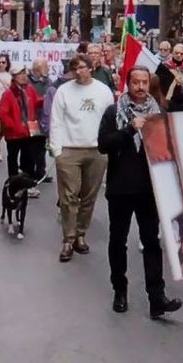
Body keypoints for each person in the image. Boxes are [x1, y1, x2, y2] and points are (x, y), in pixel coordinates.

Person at [97, 67, 183, 319]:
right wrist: (130, 130)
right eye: (136, 82)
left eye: (145, 82)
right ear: (128, 84)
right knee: (118, 241)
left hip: (149, 189)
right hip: (121, 188)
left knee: (151, 243)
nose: (141, 87)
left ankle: (157, 297)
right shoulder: (114, 112)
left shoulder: (159, 113)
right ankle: (120, 290)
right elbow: (103, 145)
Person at [50, 55, 113, 262]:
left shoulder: (103, 91)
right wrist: (57, 150)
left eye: (83, 67)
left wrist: (108, 146)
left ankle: (80, 234)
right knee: (69, 196)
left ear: (91, 68)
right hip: (70, 149)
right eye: (75, 68)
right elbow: (57, 120)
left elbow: (109, 120)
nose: (79, 72)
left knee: (88, 196)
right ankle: (68, 238)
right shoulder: (64, 91)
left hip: (96, 150)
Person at [0, 68, 43, 193]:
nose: (23, 76)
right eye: (20, 74)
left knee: (29, 158)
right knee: (13, 158)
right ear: (14, 77)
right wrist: (13, 126)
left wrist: (45, 100)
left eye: (24, 74)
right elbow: (2, 113)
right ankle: (13, 183)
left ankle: (27, 183)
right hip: (14, 134)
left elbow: (35, 102)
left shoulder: (29, 89)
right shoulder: (9, 93)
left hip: (29, 131)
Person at [29, 58, 53, 184]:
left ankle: (41, 171)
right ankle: (31, 171)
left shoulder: (48, 81)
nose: (48, 68)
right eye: (46, 66)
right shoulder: (29, 82)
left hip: (44, 117)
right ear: (38, 69)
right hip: (33, 118)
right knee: (33, 145)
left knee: (41, 146)